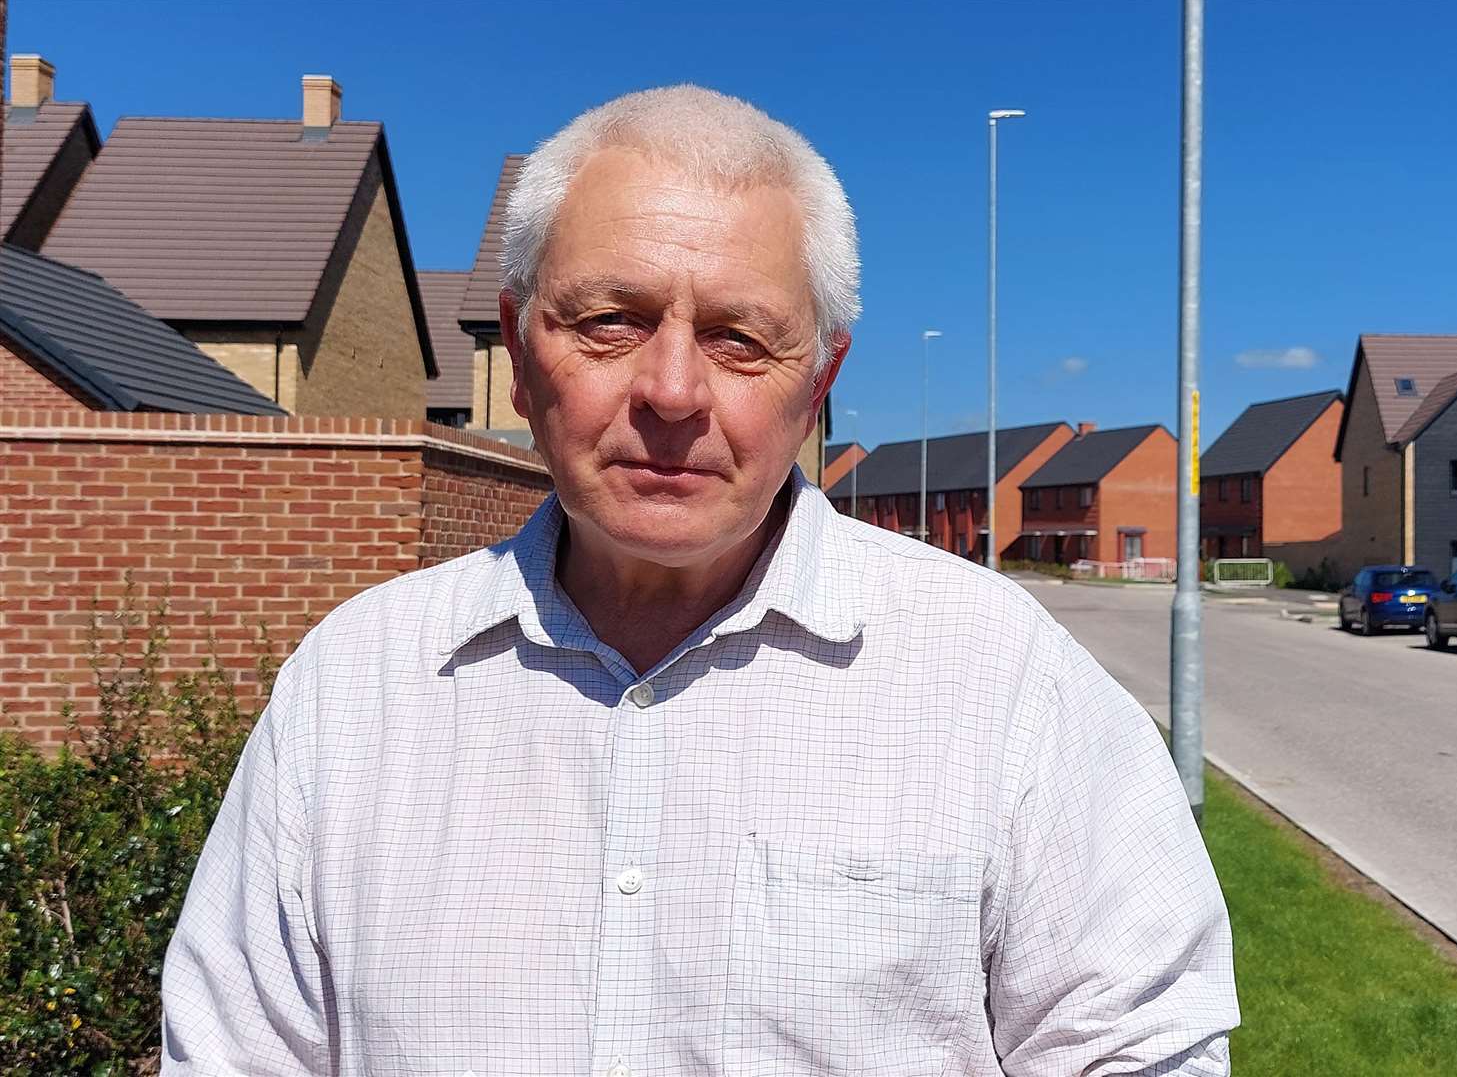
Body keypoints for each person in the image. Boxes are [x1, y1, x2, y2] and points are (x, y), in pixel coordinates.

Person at [161, 85, 1237, 1076]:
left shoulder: (1002, 682)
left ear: (819, 380)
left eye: (737, 338)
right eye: (610, 321)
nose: (670, 391)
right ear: (522, 349)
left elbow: (1143, 1050)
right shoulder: (355, 687)